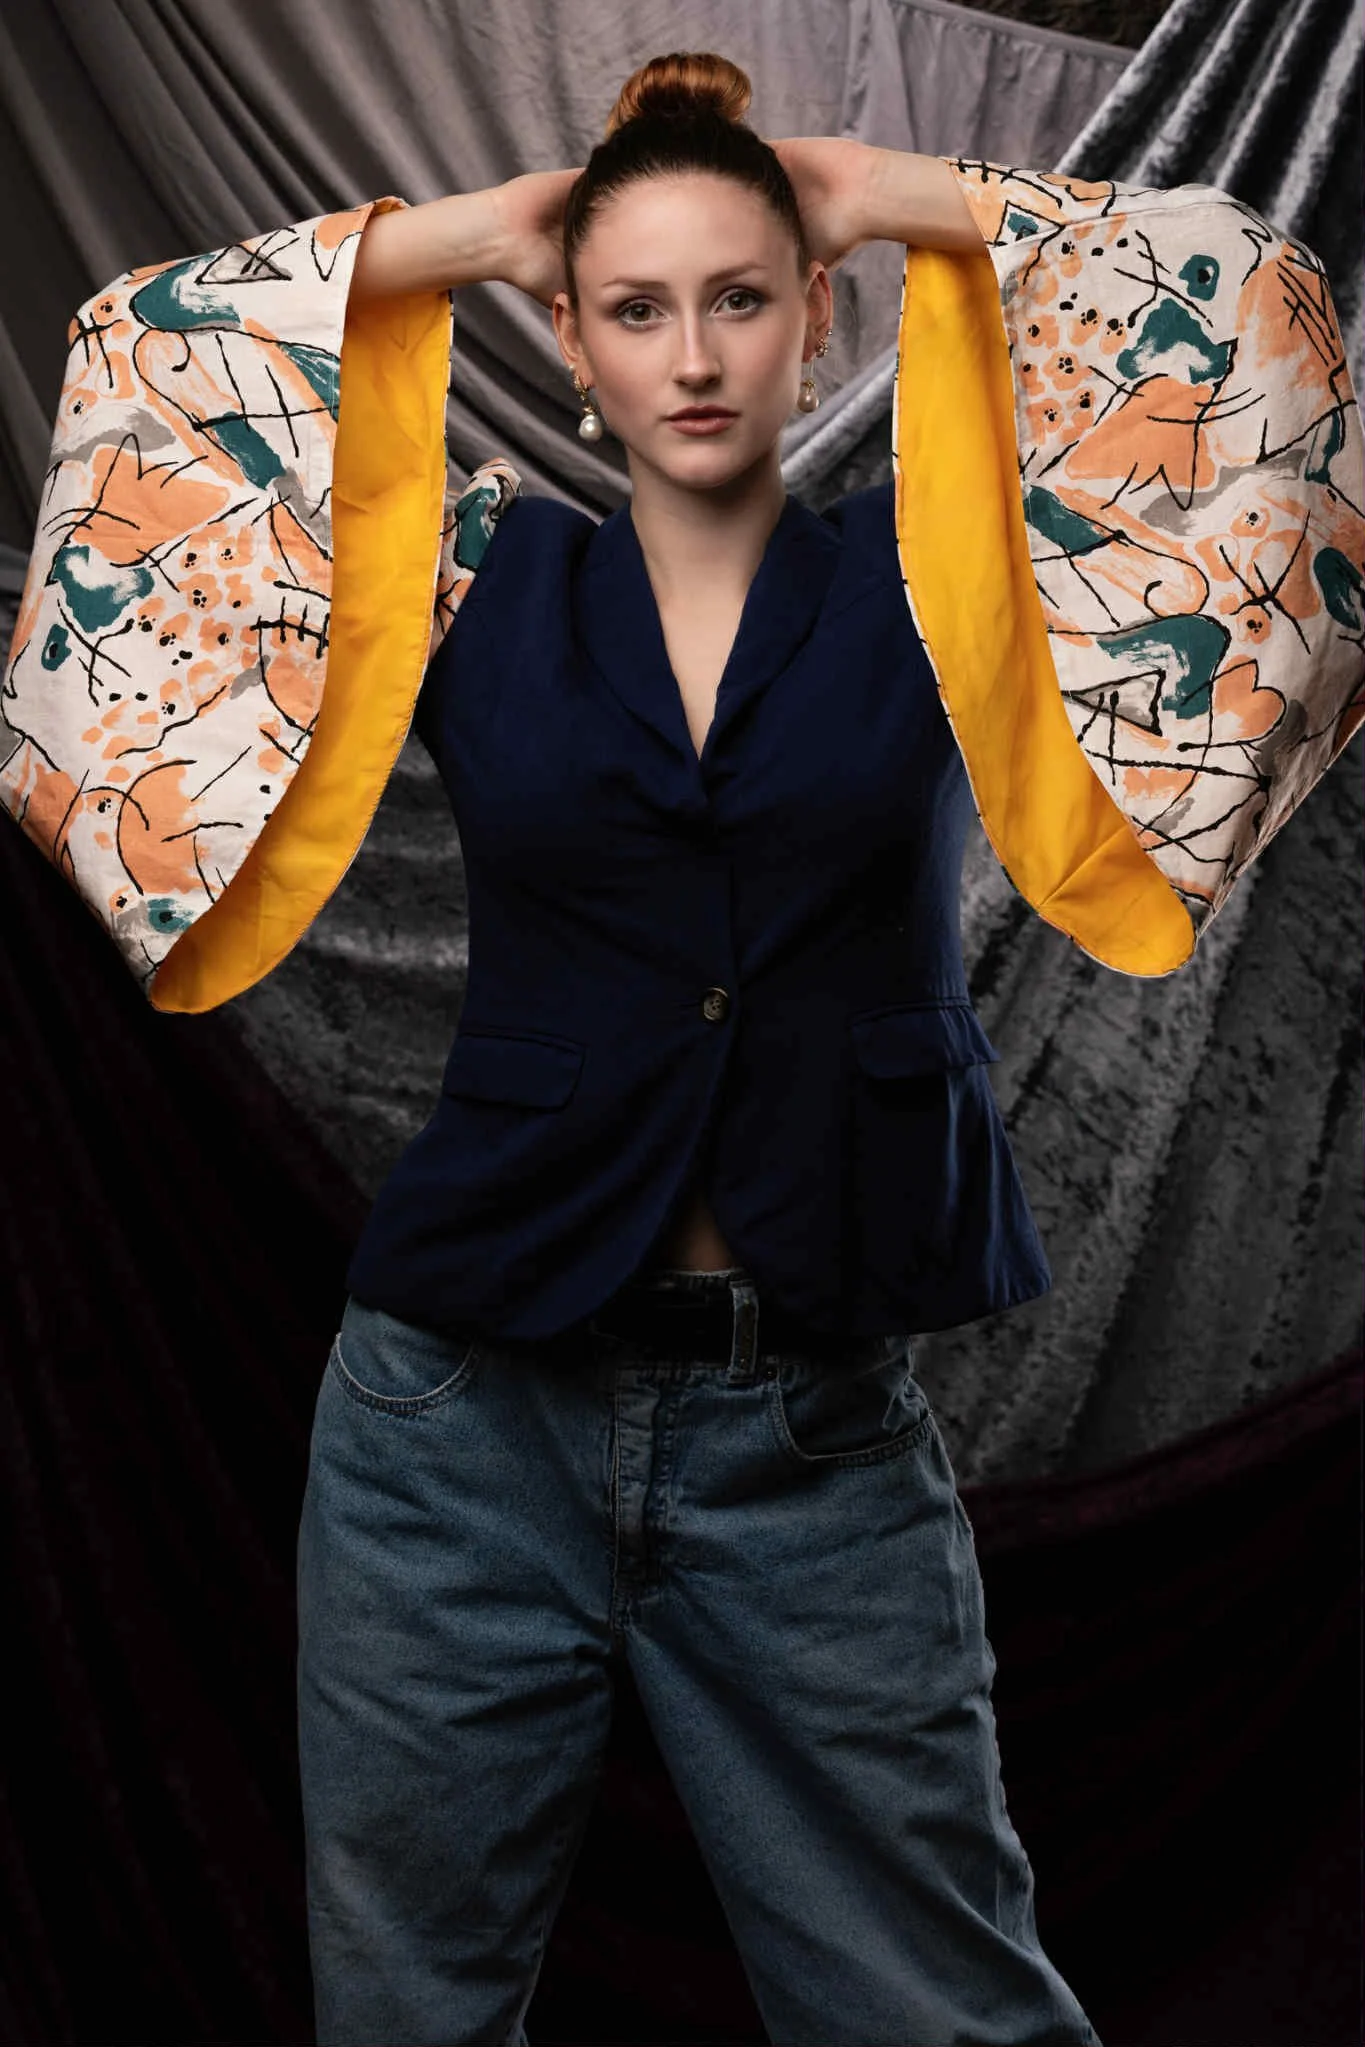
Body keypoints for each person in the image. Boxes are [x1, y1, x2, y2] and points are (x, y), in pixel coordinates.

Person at [295, 51, 1103, 2047]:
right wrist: (479, 237)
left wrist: (886, 191)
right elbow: (155, 412)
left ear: (815, 315)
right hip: (455, 1428)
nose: (692, 356)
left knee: (942, 2015)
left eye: (739, 297)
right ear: (572, 342)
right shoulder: (468, 572)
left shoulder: (948, 571)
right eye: (634, 307)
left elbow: (1251, 344)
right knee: (406, 2019)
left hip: (805, 1429)